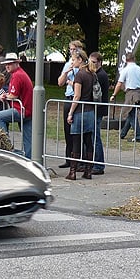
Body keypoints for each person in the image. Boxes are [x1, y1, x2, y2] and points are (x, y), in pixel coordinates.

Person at [0, 53, 34, 158]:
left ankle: (6, 146)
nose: (7, 66)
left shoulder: (17, 75)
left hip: (20, 110)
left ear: (16, 63)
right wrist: (7, 95)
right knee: (28, 138)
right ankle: (30, 160)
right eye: (6, 64)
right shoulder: (20, 74)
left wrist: (5, 96)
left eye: (10, 64)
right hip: (27, 110)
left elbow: (13, 95)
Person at [65, 49, 96, 180]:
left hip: (80, 111)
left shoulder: (80, 75)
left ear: (80, 60)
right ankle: (88, 171)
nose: (72, 62)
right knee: (88, 140)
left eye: (74, 60)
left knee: (76, 140)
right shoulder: (92, 74)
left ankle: (73, 172)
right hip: (90, 110)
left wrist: (70, 113)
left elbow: (76, 96)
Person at [56, 41, 83, 168]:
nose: (72, 52)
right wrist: (67, 71)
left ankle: (78, 159)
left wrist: (72, 83)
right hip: (68, 97)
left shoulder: (83, 66)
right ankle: (68, 158)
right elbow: (60, 82)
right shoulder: (68, 64)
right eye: (70, 49)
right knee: (67, 129)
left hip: (78, 98)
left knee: (77, 131)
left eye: (74, 49)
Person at [110, 52, 140, 142]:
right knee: (131, 114)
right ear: (134, 59)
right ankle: (123, 134)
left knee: (131, 115)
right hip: (139, 93)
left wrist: (114, 94)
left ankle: (138, 136)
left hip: (131, 93)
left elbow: (119, 84)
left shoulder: (125, 70)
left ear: (126, 60)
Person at [88, 51, 109, 175]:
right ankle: (95, 163)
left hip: (97, 109)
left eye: (94, 62)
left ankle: (99, 164)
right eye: (90, 62)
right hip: (96, 108)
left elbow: (95, 93)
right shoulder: (97, 74)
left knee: (95, 137)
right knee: (93, 136)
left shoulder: (100, 75)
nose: (92, 64)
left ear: (100, 62)